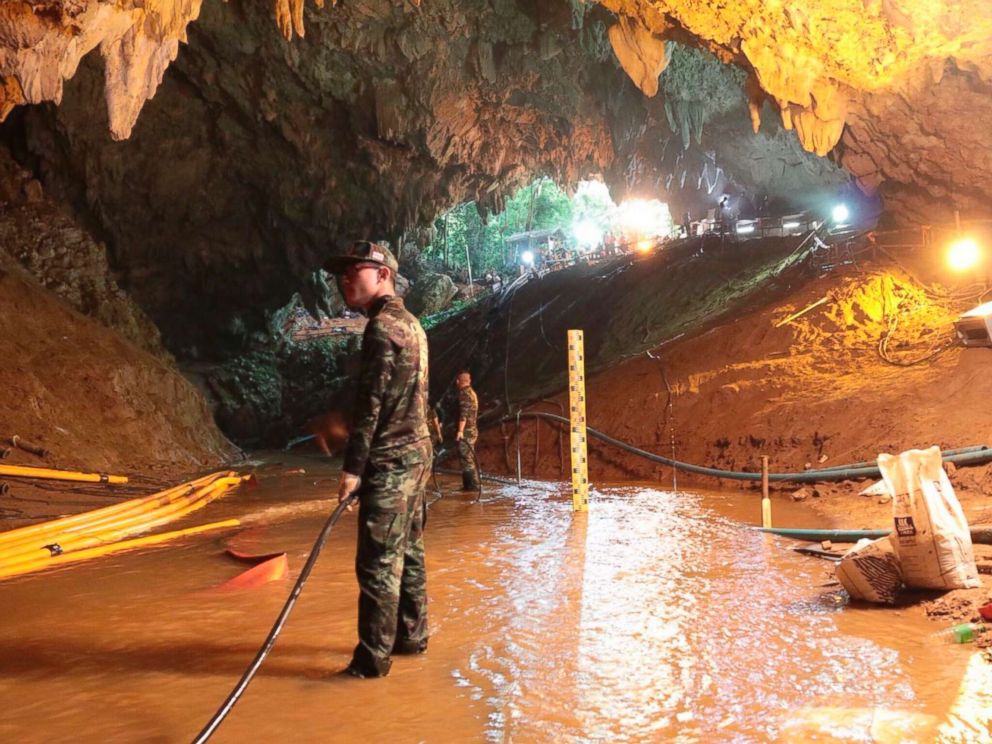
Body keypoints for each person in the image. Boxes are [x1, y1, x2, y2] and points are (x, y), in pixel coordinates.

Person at [324, 240, 432, 678]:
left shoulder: (381, 329)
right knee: (409, 549)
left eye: (356, 270)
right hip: (416, 454)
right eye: (342, 273)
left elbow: (370, 407)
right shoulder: (412, 324)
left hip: (390, 460)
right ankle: (412, 637)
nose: (345, 278)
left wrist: (352, 470)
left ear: (383, 274)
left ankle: (370, 664)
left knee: (377, 563)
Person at [454, 370, 480, 491]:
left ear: (458, 381)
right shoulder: (472, 393)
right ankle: (468, 486)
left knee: (466, 457)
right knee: (467, 456)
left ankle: (473, 486)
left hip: (467, 431)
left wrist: (460, 431)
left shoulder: (464, 394)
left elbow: (463, 414)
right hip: (473, 429)